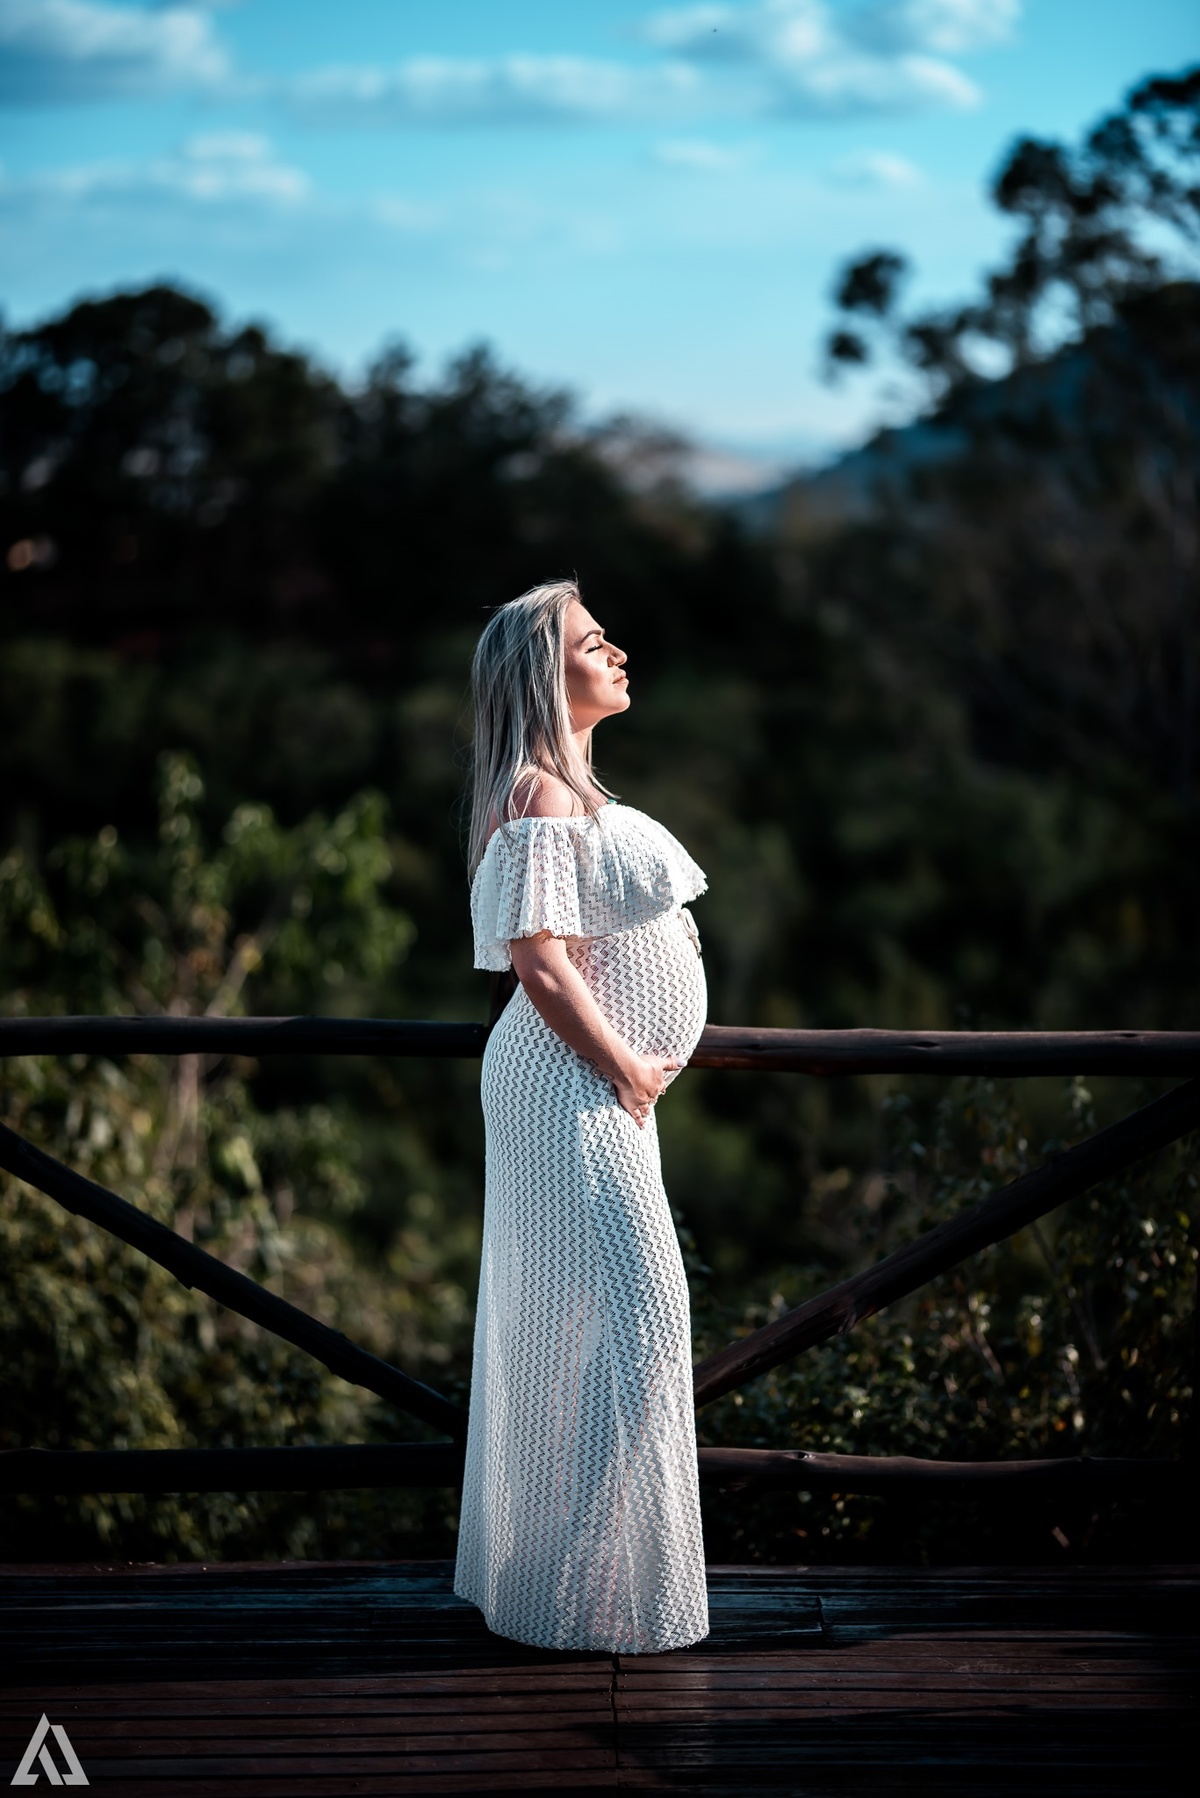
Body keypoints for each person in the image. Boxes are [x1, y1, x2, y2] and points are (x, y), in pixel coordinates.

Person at [453, 578, 710, 1654]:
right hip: (573, 1084)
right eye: (591, 642)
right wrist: (628, 1069)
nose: (616, 652)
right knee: (641, 1324)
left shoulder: (570, 790)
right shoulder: (540, 795)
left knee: (585, 1328)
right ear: (541, 674)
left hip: (588, 1087)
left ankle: (570, 1572)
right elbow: (538, 961)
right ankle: (578, 1575)